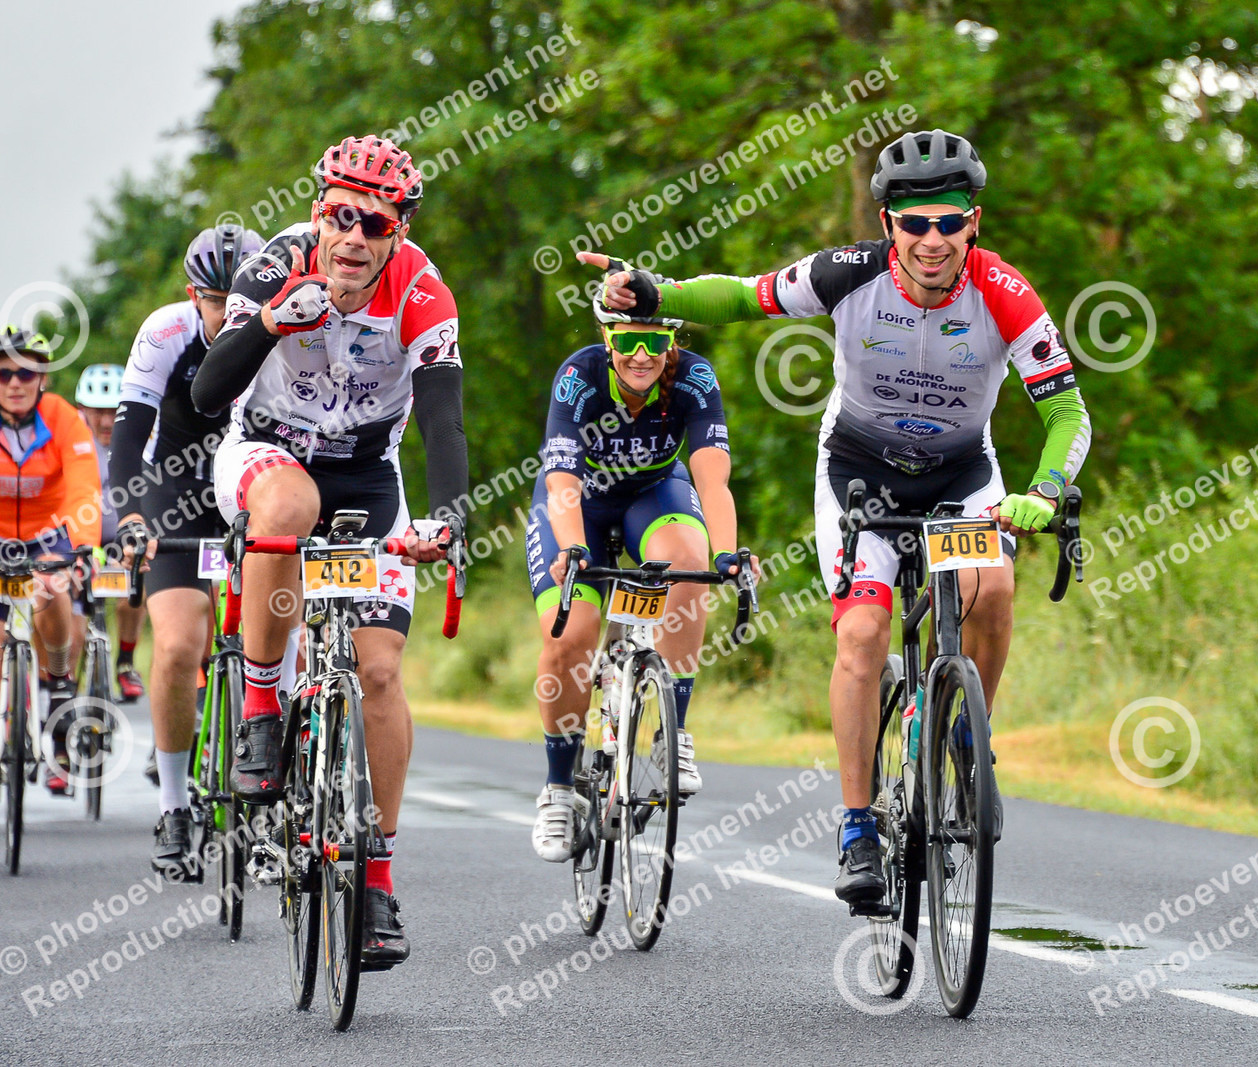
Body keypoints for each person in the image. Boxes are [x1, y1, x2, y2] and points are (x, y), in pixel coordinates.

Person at [581, 129, 1092, 907]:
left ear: (974, 222)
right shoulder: (848, 273)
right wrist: (658, 294)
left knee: (992, 586)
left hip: (961, 475)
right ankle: (857, 827)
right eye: (914, 223)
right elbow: (744, 296)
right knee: (862, 634)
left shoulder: (1004, 292)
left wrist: (1045, 492)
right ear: (888, 223)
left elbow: (1067, 412)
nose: (932, 240)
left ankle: (965, 737)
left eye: (949, 222)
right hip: (860, 475)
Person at [191, 135, 467, 967]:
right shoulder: (275, 267)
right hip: (266, 453)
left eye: (373, 223)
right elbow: (208, 391)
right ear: (318, 213)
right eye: (340, 216)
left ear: (398, 231)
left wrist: (448, 518)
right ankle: (261, 710)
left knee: (378, 672)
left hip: (368, 474)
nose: (352, 237)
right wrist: (273, 322)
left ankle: (376, 879)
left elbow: (444, 419)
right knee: (289, 504)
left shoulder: (422, 291)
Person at [526, 306, 748, 861]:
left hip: (653, 494)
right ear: (608, 338)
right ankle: (558, 788)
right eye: (628, 342)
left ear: (671, 340)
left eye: (654, 341)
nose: (642, 355)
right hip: (580, 504)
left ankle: (674, 733)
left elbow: (712, 479)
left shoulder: (694, 377)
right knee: (570, 636)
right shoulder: (579, 376)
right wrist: (571, 545)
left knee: (690, 562)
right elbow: (561, 480)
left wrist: (727, 552)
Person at [111, 224, 265, 876]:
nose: (228, 313)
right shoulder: (166, 333)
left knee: (280, 641)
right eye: (215, 300)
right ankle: (174, 804)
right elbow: (128, 439)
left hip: (254, 491)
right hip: (178, 492)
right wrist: (130, 518)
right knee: (177, 646)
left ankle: (275, 795)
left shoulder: (281, 330)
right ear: (191, 295)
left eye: (240, 299)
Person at [0, 327, 102, 832]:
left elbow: (83, 486)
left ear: (42, 378)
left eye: (26, 373)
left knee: (53, 587)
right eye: (4, 373)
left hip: (45, 535)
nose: (15, 382)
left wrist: (84, 544)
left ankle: (58, 681)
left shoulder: (63, 417)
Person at [74, 364, 148, 702]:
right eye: (97, 412)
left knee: (137, 580)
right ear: (82, 409)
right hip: (78, 535)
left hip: (121, 534)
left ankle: (125, 662)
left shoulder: (139, 437)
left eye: (114, 412)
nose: (106, 422)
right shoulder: (70, 438)